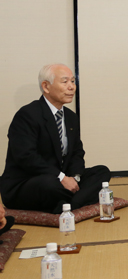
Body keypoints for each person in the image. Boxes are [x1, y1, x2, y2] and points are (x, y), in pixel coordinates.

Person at [0, 64, 111, 214]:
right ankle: (77, 201)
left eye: (73, 81)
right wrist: (62, 178)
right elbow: (27, 157)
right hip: (27, 183)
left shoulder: (71, 117)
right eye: (65, 82)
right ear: (46, 86)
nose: (71, 87)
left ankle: (66, 204)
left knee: (102, 172)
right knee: (49, 184)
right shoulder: (27, 115)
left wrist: (74, 178)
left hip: (60, 179)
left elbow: (77, 152)